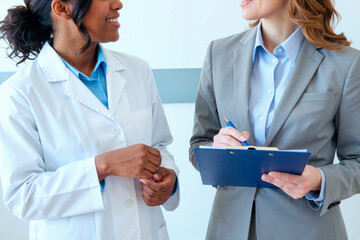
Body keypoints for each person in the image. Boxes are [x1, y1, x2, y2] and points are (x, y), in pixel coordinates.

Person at [0, 0, 179, 239]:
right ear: (61, 9)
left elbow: (159, 145)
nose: (118, 4)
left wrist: (168, 178)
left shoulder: (138, 70)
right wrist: (103, 166)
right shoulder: (21, 92)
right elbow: (23, 195)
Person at [189, 0, 360, 239]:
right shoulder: (218, 54)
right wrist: (216, 149)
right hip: (228, 229)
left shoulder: (346, 63)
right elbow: (199, 144)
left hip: (307, 230)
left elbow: (357, 161)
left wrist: (318, 180)